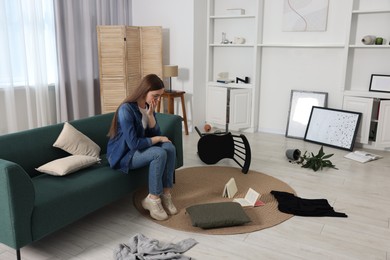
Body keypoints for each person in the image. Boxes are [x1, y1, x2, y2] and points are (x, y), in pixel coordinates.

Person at [107, 74, 177, 221]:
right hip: (124, 155)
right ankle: (152, 199)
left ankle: (166, 195)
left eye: (160, 96)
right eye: (155, 96)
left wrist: (151, 116)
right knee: (159, 153)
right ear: (144, 91)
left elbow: (155, 133)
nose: (157, 100)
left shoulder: (147, 106)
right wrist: (158, 138)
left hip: (138, 149)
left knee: (169, 148)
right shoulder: (126, 110)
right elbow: (134, 144)